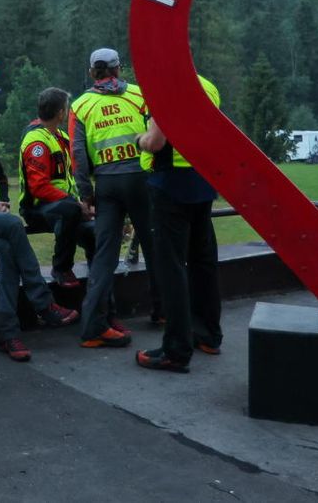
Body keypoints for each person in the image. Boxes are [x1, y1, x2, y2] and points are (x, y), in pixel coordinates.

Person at [0, 87, 78, 362]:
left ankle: (7, 334)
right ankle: (44, 303)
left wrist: (0, 201)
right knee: (13, 226)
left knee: (7, 251)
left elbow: (1, 178)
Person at [134, 76, 224, 373]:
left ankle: (175, 349)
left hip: (170, 184)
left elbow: (156, 141)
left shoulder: (165, 86)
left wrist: (140, 141)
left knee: (171, 266)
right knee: (203, 260)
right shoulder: (208, 87)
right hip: (203, 181)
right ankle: (208, 334)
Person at [70, 48, 158, 348]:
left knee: (104, 256)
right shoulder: (139, 95)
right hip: (141, 179)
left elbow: (78, 155)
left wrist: (86, 193)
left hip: (106, 184)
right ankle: (163, 311)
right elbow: (157, 134)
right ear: (118, 70)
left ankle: (93, 327)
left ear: (92, 72)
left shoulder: (81, 105)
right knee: (155, 245)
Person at [18, 88, 96, 288]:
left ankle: (99, 287)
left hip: (62, 204)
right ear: (61, 112)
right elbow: (39, 187)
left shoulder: (60, 136)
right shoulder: (37, 140)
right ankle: (61, 268)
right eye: (67, 109)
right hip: (37, 208)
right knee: (69, 211)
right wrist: (76, 204)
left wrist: (88, 203)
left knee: (94, 231)